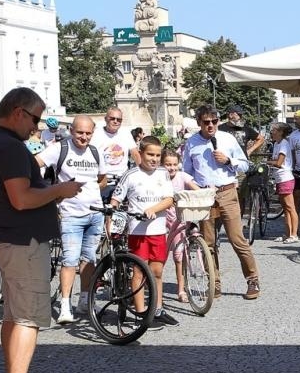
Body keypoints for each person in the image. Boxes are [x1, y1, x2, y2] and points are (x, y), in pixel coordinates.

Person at [0, 87, 83, 373]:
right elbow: (21, 199)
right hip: (22, 241)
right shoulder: (9, 147)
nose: (36, 127)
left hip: (11, 238)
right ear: (19, 113)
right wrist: (59, 191)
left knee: (14, 314)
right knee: (27, 317)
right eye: (35, 119)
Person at [183, 104, 261, 300]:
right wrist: (194, 192)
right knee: (208, 243)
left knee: (237, 239)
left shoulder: (227, 139)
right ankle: (214, 283)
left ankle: (253, 280)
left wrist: (228, 161)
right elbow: (186, 172)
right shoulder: (191, 143)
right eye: (206, 122)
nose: (211, 125)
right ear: (199, 123)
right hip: (205, 195)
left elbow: (244, 163)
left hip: (227, 192)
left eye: (214, 121)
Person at [37, 115, 105, 323]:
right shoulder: (60, 148)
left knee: (89, 258)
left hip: (95, 213)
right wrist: (53, 192)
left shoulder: (95, 151)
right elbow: (35, 163)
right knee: (69, 260)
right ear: (72, 131)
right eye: (79, 132)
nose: (83, 137)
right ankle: (65, 305)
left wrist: (90, 190)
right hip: (71, 214)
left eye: (88, 133)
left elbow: (102, 178)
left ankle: (85, 299)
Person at [112, 135, 179, 325]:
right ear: (140, 153)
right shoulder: (131, 175)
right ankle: (140, 312)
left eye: (158, 155)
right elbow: (116, 199)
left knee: (157, 271)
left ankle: (158, 309)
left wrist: (153, 209)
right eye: (150, 154)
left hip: (158, 230)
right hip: (138, 232)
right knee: (139, 272)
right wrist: (112, 217)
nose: (154, 159)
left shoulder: (163, 173)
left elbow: (169, 199)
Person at [160, 146, 202, 306]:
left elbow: (196, 189)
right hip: (162, 220)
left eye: (174, 164)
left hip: (179, 220)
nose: (171, 168)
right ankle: (157, 287)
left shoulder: (183, 176)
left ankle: (181, 289)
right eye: (167, 164)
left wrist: (204, 194)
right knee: (159, 258)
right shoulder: (158, 178)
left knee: (179, 256)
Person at [265, 122, 299, 242]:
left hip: (285, 178)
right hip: (279, 178)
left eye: (274, 130)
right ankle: (287, 233)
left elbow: (279, 163)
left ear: (280, 132)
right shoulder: (276, 144)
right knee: (285, 208)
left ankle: (294, 235)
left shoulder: (284, 144)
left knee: (290, 207)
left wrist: (266, 162)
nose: (271, 132)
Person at [90, 107, 131, 186]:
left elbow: (135, 154)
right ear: (105, 119)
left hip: (123, 181)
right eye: (112, 119)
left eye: (119, 120)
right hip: (103, 181)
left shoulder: (126, 133)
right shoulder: (95, 134)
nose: (115, 121)